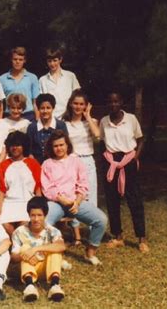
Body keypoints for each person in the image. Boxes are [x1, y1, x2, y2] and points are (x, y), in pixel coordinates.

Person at [42, 130, 107, 265]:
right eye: (55, 146)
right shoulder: (47, 164)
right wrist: (62, 199)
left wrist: (76, 202)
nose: (59, 148)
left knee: (101, 220)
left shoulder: (76, 161)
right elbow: (47, 189)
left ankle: (90, 253)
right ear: (51, 148)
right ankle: (56, 256)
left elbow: (83, 184)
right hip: (56, 202)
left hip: (75, 202)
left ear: (67, 145)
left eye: (62, 145)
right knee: (44, 223)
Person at [99, 92, 148, 253]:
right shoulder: (104, 121)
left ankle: (141, 238)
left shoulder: (131, 119)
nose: (113, 104)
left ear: (121, 102)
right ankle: (117, 236)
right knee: (112, 200)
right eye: (110, 101)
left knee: (134, 199)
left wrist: (135, 158)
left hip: (128, 161)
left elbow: (140, 139)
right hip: (111, 163)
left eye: (116, 101)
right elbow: (101, 142)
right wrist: (106, 160)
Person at [62, 90, 100, 245]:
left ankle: (92, 233)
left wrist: (88, 116)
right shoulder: (64, 123)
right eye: (75, 103)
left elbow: (98, 136)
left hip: (87, 161)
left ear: (86, 106)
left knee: (90, 195)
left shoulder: (91, 121)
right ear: (71, 104)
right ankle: (76, 234)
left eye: (81, 104)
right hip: (71, 161)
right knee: (73, 196)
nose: (78, 107)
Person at [11, 196, 66, 302]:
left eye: (39, 215)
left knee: (54, 250)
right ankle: (29, 286)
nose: (36, 219)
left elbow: (61, 246)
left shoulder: (52, 231)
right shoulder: (19, 232)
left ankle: (54, 285)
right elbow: (13, 257)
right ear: (28, 215)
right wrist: (25, 255)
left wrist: (35, 249)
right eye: (33, 215)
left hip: (47, 268)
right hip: (28, 268)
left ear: (45, 215)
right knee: (25, 247)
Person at [0, 131, 42, 236]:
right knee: (5, 224)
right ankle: (18, 242)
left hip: (27, 201)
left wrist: (40, 205)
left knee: (24, 224)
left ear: (24, 146)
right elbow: (2, 189)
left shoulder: (33, 163)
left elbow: (38, 187)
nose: (14, 148)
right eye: (12, 145)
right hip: (9, 202)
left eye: (18, 145)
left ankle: (19, 244)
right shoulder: (3, 166)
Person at [39, 47, 81, 119]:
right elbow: (42, 102)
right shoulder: (42, 80)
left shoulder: (70, 76)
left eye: (55, 60)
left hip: (68, 116)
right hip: (51, 118)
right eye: (49, 61)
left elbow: (77, 95)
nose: (52, 64)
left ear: (60, 59)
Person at [0, 47, 40, 121]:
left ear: (24, 61)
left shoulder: (32, 78)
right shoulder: (2, 79)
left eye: (20, 59)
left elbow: (35, 102)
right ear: (11, 60)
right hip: (9, 115)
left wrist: (37, 120)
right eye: (15, 59)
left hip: (28, 115)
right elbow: (0, 104)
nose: (17, 62)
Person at [26, 94, 68, 164]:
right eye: (42, 108)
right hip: (37, 165)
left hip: (57, 164)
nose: (45, 111)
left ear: (53, 108)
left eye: (48, 108)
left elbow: (66, 146)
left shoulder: (60, 125)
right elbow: (29, 150)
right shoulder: (32, 127)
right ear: (38, 109)